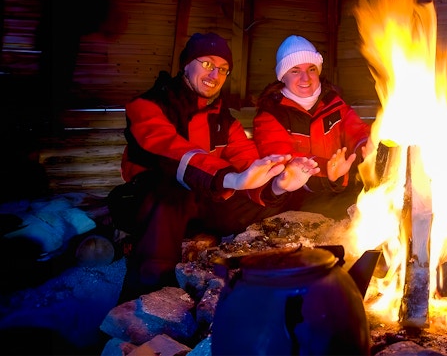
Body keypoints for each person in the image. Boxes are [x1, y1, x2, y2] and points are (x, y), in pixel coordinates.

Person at [112, 32, 319, 302]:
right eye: (208, 64)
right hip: (149, 204)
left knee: (274, 198)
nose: (215, 75)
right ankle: (149, 300)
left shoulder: (225, 121)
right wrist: (229, 178)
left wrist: (278, 184)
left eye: (223, 69)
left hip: (203, 204)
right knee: (168, 193)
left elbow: (247, 162)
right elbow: (172, 151)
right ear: (186, 64)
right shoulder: (147, 106)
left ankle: (264, 281)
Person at [253, 35, 371, 220]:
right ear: (282, 76)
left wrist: (366, 145)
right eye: (295, 70)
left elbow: (356, 130)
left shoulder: (333, 102)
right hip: (295, 201)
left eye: (311, 69)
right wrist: (327, 170)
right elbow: (283, 159)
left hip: (337, 188)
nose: (305, 78)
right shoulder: (270, 115)